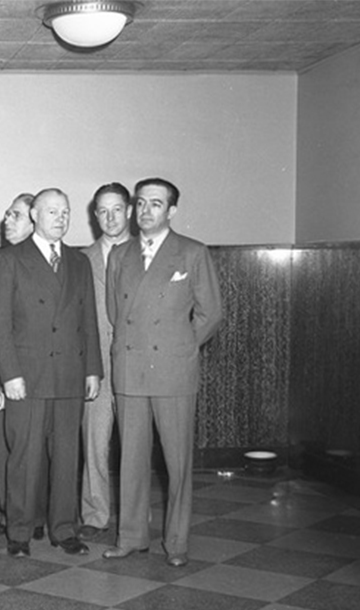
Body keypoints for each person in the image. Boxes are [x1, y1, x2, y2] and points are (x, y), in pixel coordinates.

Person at [104, 178, 224, 567]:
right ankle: (132, 536)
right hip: (131, 368)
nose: (145, 211)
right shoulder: (120, 255)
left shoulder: (191, 252)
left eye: (156, 204)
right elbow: (115, 312)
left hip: (173, 371)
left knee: (177, 462)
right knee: (131, 460)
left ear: (171, 211)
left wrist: (182, 346)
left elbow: (211, 313)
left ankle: (176, 542)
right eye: (140, 203)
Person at [0, 187, 102, 558]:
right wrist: (9, 374)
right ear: (34, 215)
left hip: (69, 374)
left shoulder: (79, 262)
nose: (61, 218)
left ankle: (64, 529)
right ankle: (19, 532)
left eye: (65, 212)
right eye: (52, 211)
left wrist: (93, 370)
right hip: (27, 377)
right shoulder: (10, 260)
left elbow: (89, 322)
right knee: (24, 457)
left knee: (68, 457)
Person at [79, 183, 133, 540]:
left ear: (128, 211)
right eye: (103, 211)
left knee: (135, 445)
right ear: (94, 215)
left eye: (116, 209)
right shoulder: (82, 259)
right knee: (94, 444)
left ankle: (132, 517)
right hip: (96, 366)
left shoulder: (148, 254)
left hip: (136, 364)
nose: (110, 217)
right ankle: (96, 514)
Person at [0, 192, 35, 537]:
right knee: (5, 451)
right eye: (7, 214)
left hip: (35, 375)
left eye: (16, 215)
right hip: (2, 375)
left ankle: (32, 515)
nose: (7, 220)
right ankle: (12, 513)